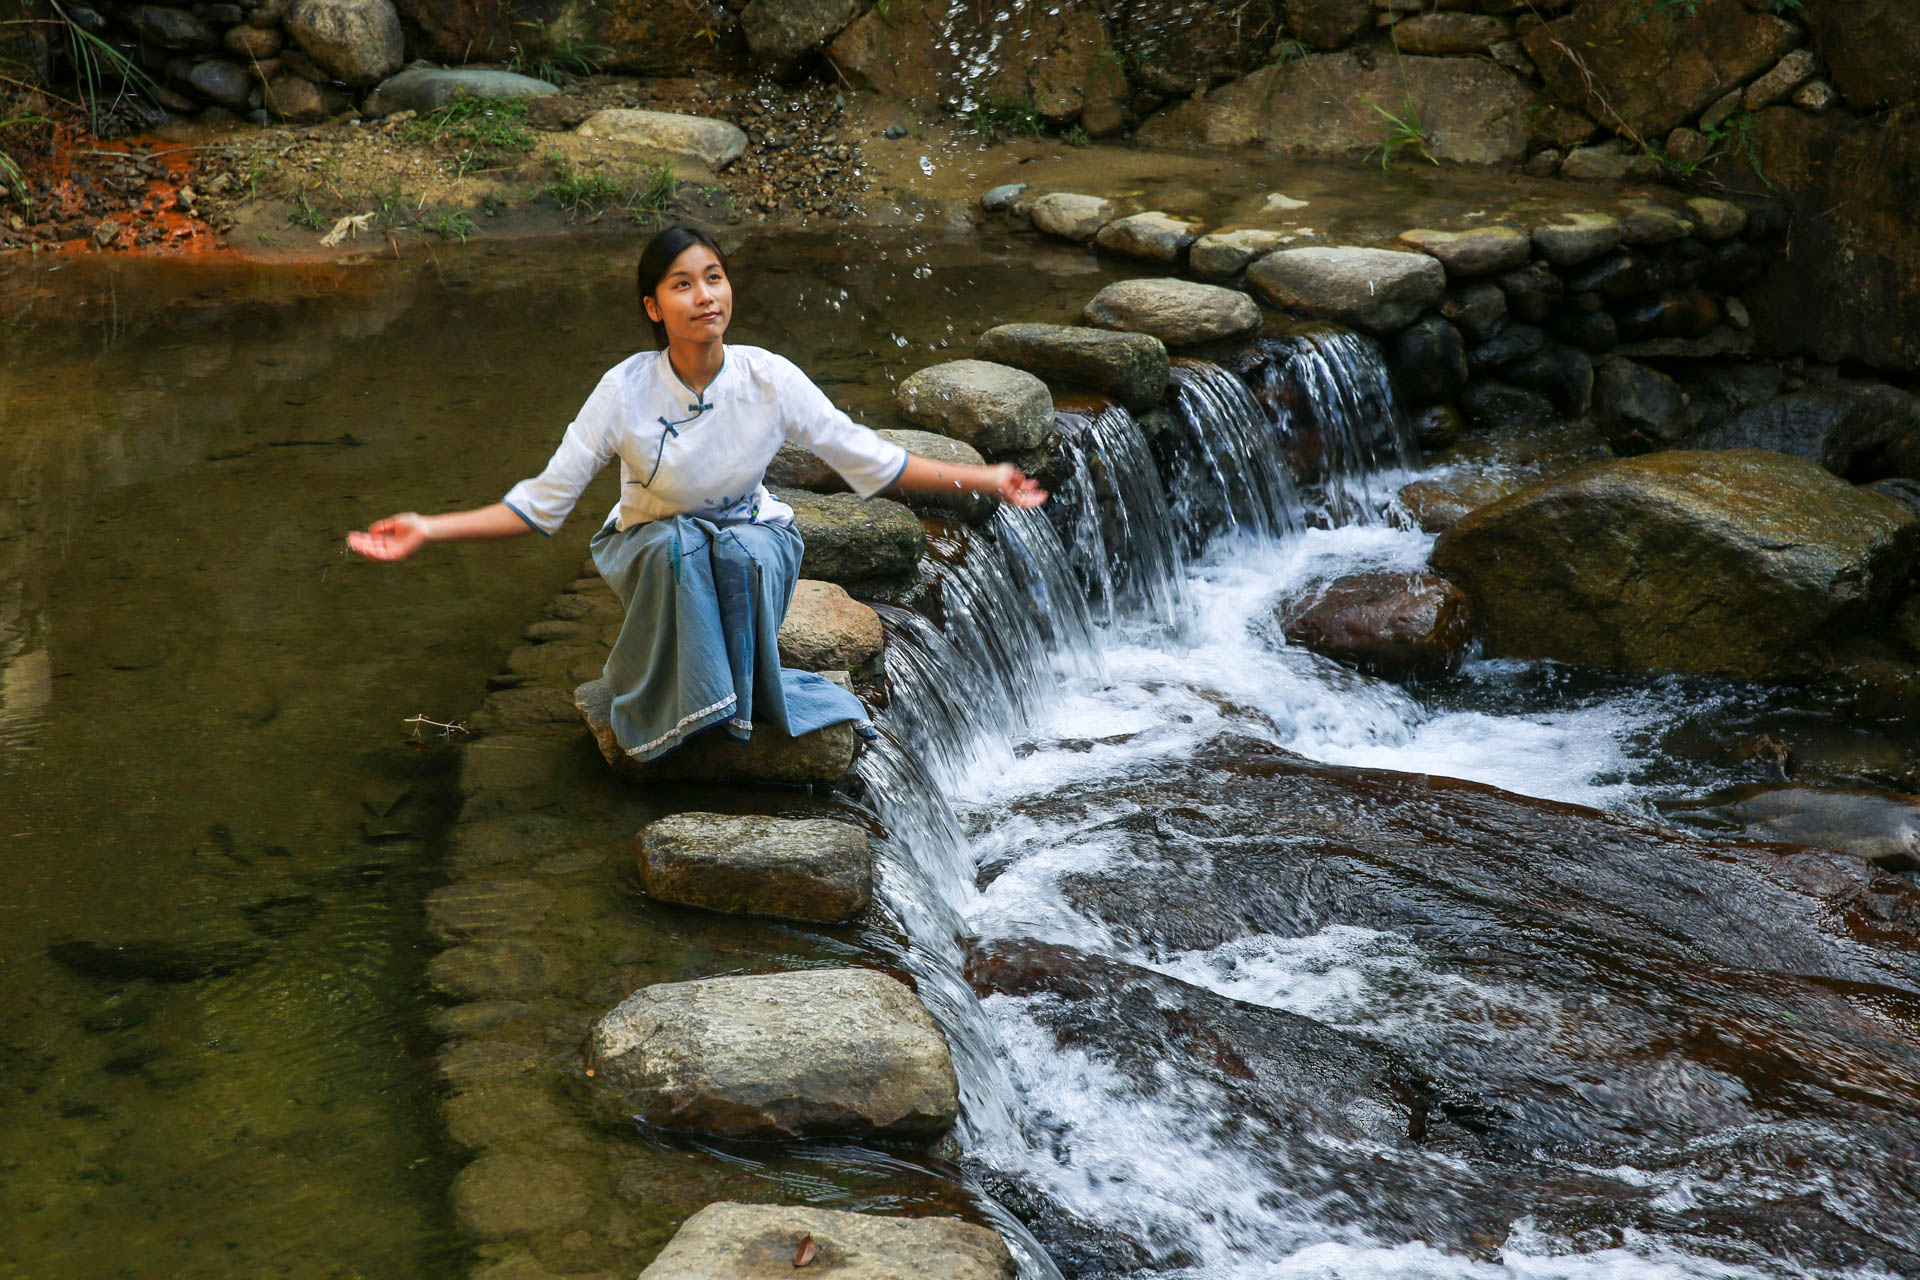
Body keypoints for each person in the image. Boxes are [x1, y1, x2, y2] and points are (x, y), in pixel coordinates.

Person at [348, 224, 1046, 763]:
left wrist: (986, 478)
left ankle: (735, 710)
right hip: (653, 548)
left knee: (741, 548)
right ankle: (667, 713)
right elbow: (540, 506)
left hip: (754, 538)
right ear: (653, 306)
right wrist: (430, 529)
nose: (705, 296)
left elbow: (873, 459)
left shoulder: (767, 377)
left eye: (713, 277)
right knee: (680, 546)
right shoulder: (623, 392)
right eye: (682, 285)